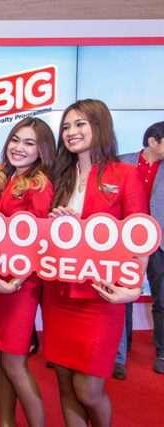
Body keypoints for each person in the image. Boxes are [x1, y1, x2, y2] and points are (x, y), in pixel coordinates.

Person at [43, 99, 147, 427]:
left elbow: (139, 234)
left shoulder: (125, 174)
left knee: (88, 389)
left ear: (99, 126)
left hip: (99, 297)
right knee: (64, 381)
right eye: (66, 126)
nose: (70, 132)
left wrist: (134, 286)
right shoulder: (59, 176)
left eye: (80, 124)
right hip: (58, 293)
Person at [0, 117, 56, 427]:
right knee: (2, 358)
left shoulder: (39, 184)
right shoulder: (10, 179)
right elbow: (6, 233)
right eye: (15, 139)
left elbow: (40, 242)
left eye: (29, 143)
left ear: (42, 150)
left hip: (20, 287)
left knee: (14, 362)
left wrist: (17, 282)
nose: (19, 147)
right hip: (1, 283)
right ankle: (6, 422)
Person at [113, 121, 164, 378]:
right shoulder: (121, 162)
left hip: (159, 241)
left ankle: (162, 353)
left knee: (162, 298)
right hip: (123, 239)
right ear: (153, 141)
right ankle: (119, 355)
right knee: (122, 298)